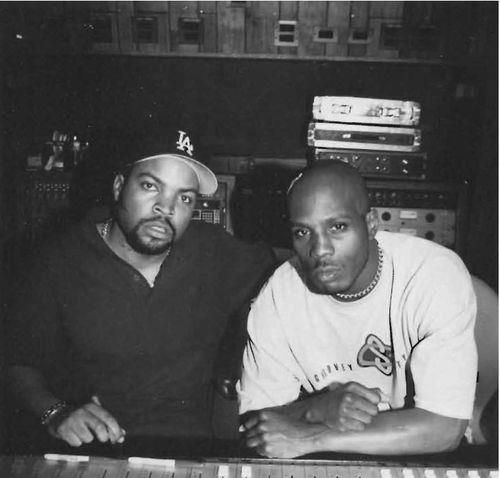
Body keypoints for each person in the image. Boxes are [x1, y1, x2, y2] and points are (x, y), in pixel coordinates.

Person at [4, 125, 275, 456]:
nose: (166, 207)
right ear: (119, 186)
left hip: (191, 451)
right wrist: (55, 412)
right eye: (150, 186)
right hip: (91, 449)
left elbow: (292, 275)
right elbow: (16, 360)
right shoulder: (57, 260)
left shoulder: (214, 252)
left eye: (184, 197)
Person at [238, 160, 477, 459]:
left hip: (424, 457)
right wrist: (316, 407)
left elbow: (445, 429)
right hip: (330, 462)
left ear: (372, 223)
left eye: (338, 227)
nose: (320, 249)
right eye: (302, 232)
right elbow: (259, 427)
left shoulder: (433, 275)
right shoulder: (278, 295)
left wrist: (314, 436)